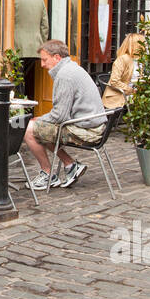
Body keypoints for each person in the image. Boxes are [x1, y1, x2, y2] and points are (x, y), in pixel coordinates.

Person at [23, 39, 107, 190]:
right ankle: (70, 165)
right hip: (94, 125)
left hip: (88, 131)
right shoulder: (71, 68)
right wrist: (42, 121)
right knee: (42, 128)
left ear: (57, 57)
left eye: (44, 60)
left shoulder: (65, 75)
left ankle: (48, 175)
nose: (42, 65)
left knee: (29, 129)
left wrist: (38, 119)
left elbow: (60, 116)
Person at [102, 32, 144, 109]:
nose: (146, 47)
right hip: (119, 97)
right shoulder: (123, 59)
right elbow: (114, 81)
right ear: (137, 45)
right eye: (144, 44)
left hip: (133, 96)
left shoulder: (140, 61)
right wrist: (131, 90)